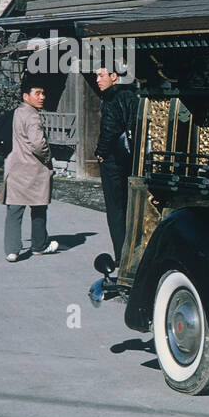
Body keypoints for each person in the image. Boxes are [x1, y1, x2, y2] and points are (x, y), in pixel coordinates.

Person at [0, 76, 57, 261]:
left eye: (43, 93)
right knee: (38, 208)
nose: (42, 97)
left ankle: (12, 250)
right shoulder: (33, 116)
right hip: (34, 170)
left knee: (14, 210)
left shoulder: (17, 113)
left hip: (15, 168)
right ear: (26, 96)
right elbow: (38, 144)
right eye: (37, 93)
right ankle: (39, 245)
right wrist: (47, 157)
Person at [94, 66, 136, 270]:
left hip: (113, 160)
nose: (97, 80)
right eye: (96, 76)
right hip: (130, 159)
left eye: (101, 75)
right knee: (129, 205)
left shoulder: (112, 99)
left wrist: (100, 153)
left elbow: (109, 129)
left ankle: (121, 254)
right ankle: (133, 249)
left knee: (115, 208)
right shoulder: (132, 96)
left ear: (114, 77)